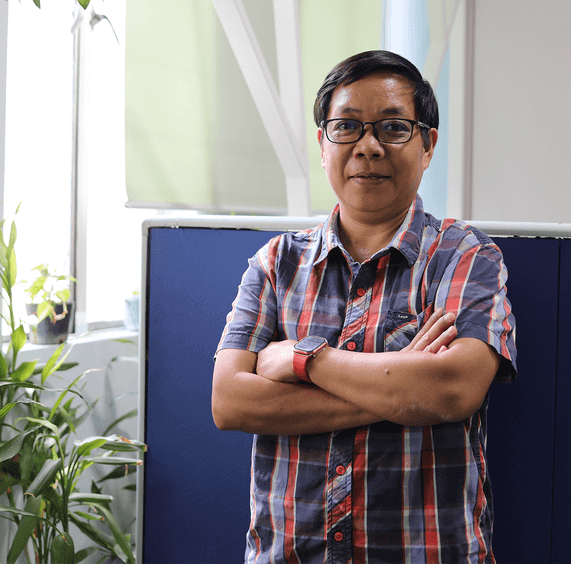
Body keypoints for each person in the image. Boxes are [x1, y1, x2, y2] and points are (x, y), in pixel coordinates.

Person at [212, 50, 517, 563]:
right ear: (323, 143)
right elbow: (231, 402)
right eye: (347, 127)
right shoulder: (276, 264)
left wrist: (305, 360)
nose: (369, 147)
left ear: (427, 145)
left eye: (393, 128)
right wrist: (401, 391)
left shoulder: (464, 256)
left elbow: (453, 389)